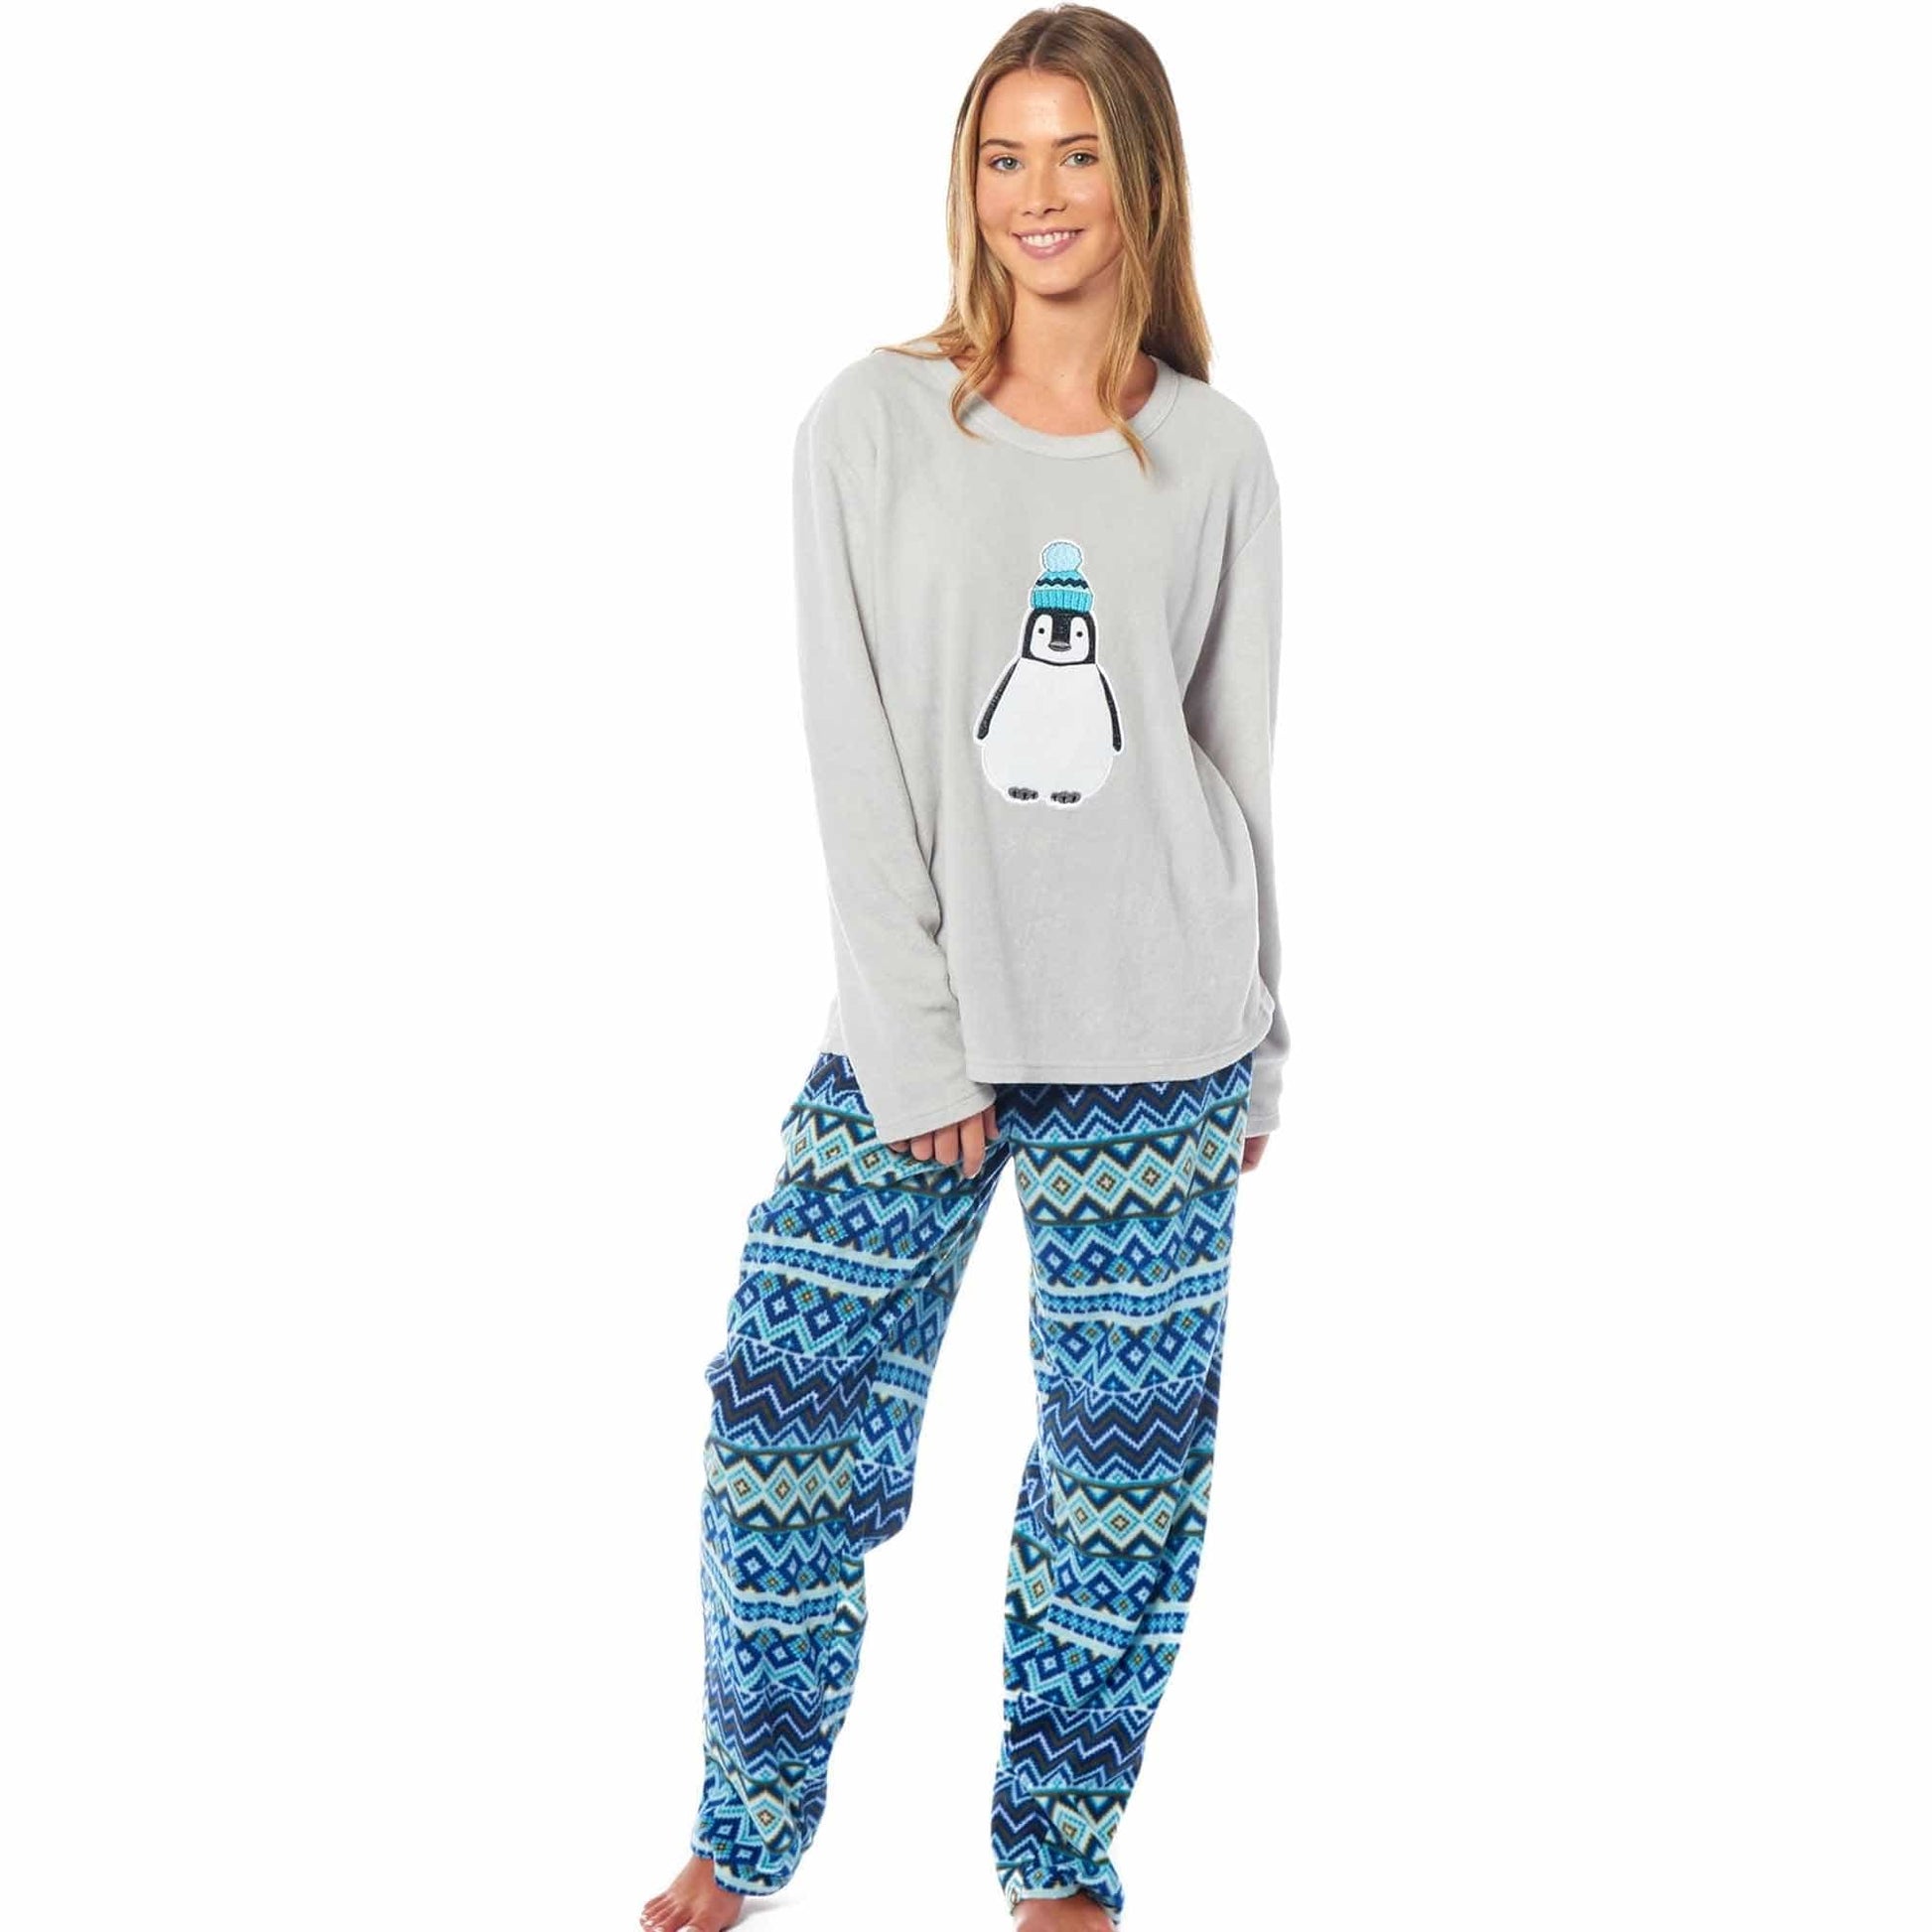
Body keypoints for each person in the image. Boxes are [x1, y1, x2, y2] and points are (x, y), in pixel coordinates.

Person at [642, 9, 1288, 1928]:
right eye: (1004, 157)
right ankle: (744, 1829)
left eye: (1076, 154)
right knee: (783, 1413)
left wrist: (1261, 1048)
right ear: (966, 182)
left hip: (1163, 1038)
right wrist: (917, 1050)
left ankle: (1057, 1860)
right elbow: (851, 755)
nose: (1037, 196)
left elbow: (1235, 762)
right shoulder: (870, 426)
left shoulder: (1215, 455)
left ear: (1140, 176)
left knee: (1120, 1478)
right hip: (917, 1044)